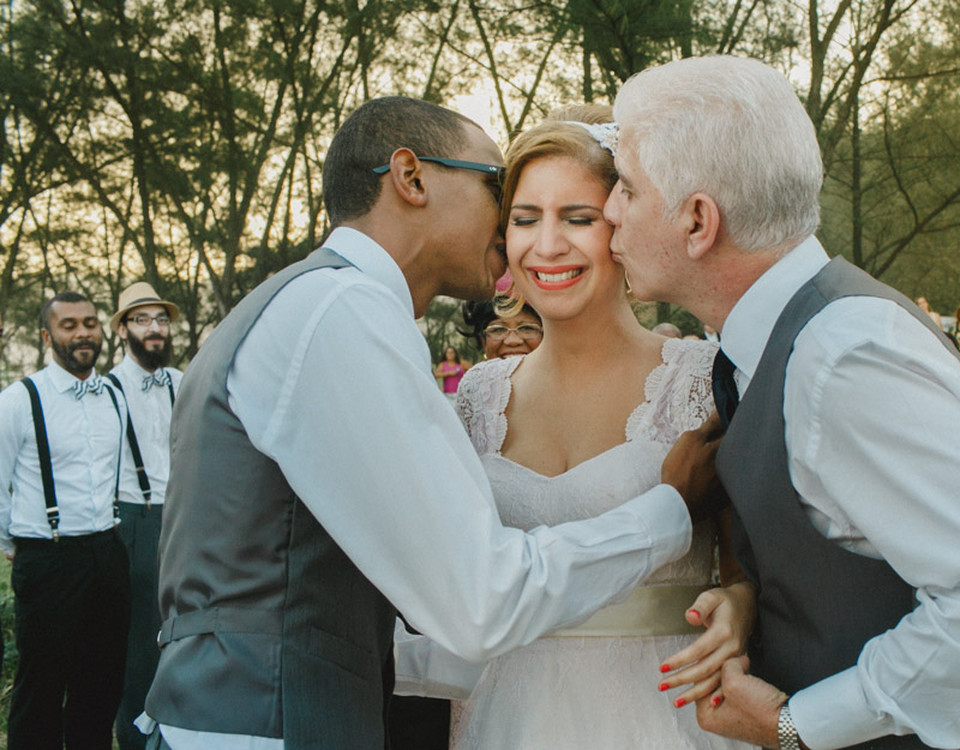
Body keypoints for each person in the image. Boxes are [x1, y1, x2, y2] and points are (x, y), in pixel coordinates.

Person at [142, 96, 725, 750]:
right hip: (266, 722)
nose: (514, 229)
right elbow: (478, 601)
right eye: (499, 191)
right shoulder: (344, 313)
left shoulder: (305, 302)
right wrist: (669, 510)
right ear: (412, 178)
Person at [604, 55, 960, 750]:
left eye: (625, 188)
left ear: (698, 221)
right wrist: (752, 601)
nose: (610, 210)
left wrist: (797, 725)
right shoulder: (776, 342)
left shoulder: (844, 357)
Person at [446, 107, 754, 750]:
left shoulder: (703, 381)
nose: (547, 245)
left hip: (666, 714)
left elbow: (754, 565)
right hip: (510, 717)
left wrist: (745, 605)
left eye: (577, 219)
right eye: (525, 219)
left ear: (621, 226)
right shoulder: (477, 396)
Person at [0, 292, 131, 750]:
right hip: (48, 558)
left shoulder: (113, 395)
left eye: (90, 324)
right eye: (69, 325)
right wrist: (17, 543)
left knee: (99, 687)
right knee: (40, 691)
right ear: (47, 335)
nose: (82, 334)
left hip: (107, 554)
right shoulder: (19, 400)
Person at [107, 283, 184, 750]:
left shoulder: (182, 380)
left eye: (161, 319)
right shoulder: (107, 389)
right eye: (142, 320)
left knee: (184, 633)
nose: (155, 329)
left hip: (184, 518)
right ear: (123, 330)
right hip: (134, 521)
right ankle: (134, 739)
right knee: (139, 644)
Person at [459, 298, 543, 360]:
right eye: (498, 330)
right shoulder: (473, 383)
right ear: (482, 340)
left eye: (526, 328)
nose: (513, 341)